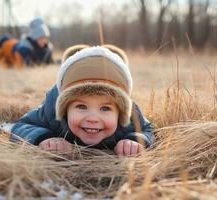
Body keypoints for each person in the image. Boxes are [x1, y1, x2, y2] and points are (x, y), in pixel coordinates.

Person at [11, 45, 154, 156]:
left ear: (121, 113)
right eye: (81, 106)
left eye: (105, 108)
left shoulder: (130, 117)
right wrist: (43, 137)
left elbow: (148, 129)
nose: (92, 118)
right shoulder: (51, 112)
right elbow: (20, 126)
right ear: (65, 108)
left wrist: (134, 140)